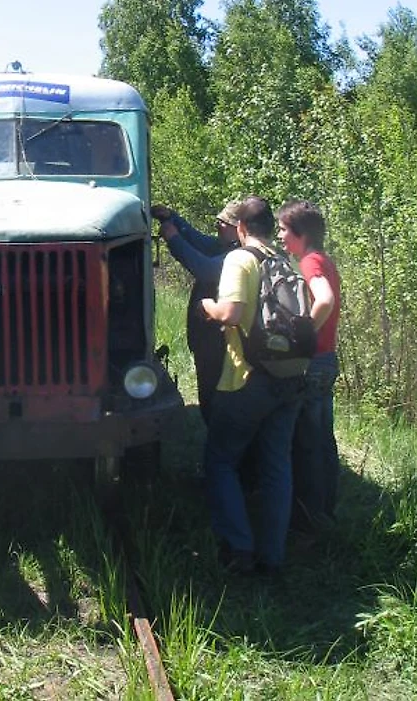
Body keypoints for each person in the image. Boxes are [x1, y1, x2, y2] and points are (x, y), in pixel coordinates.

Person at [200, 196, 306, 575]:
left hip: (247, 378)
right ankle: (273, 556)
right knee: (277, 465)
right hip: (290, 377)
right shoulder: (284, 261)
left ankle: (238, 549)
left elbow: (230, 314)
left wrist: (208, 306)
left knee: (221, 462)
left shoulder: (240, 259)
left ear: (242, 228)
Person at [277, 200, 341, 534]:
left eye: (284, 229)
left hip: (314, 361)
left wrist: (303, 335)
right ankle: (326, 510)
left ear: (301, 234)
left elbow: (325, 299)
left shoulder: (311, 262)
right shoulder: (324, 259)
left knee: (307, 443)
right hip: (327, 359)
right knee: (322, 439)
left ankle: (310, 520)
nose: (280, 235)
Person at [151, 201, 240, 423]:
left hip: (219, 341)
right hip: (209, 339)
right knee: (209, 394)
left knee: (215, 399)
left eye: (222, 223)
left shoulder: (236, 255)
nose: (217, 226)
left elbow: (204, 268)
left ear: (239, 228)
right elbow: (197, 240)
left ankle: (219, 446)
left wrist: (173, 239)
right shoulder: (224, 246)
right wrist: (171, 218)